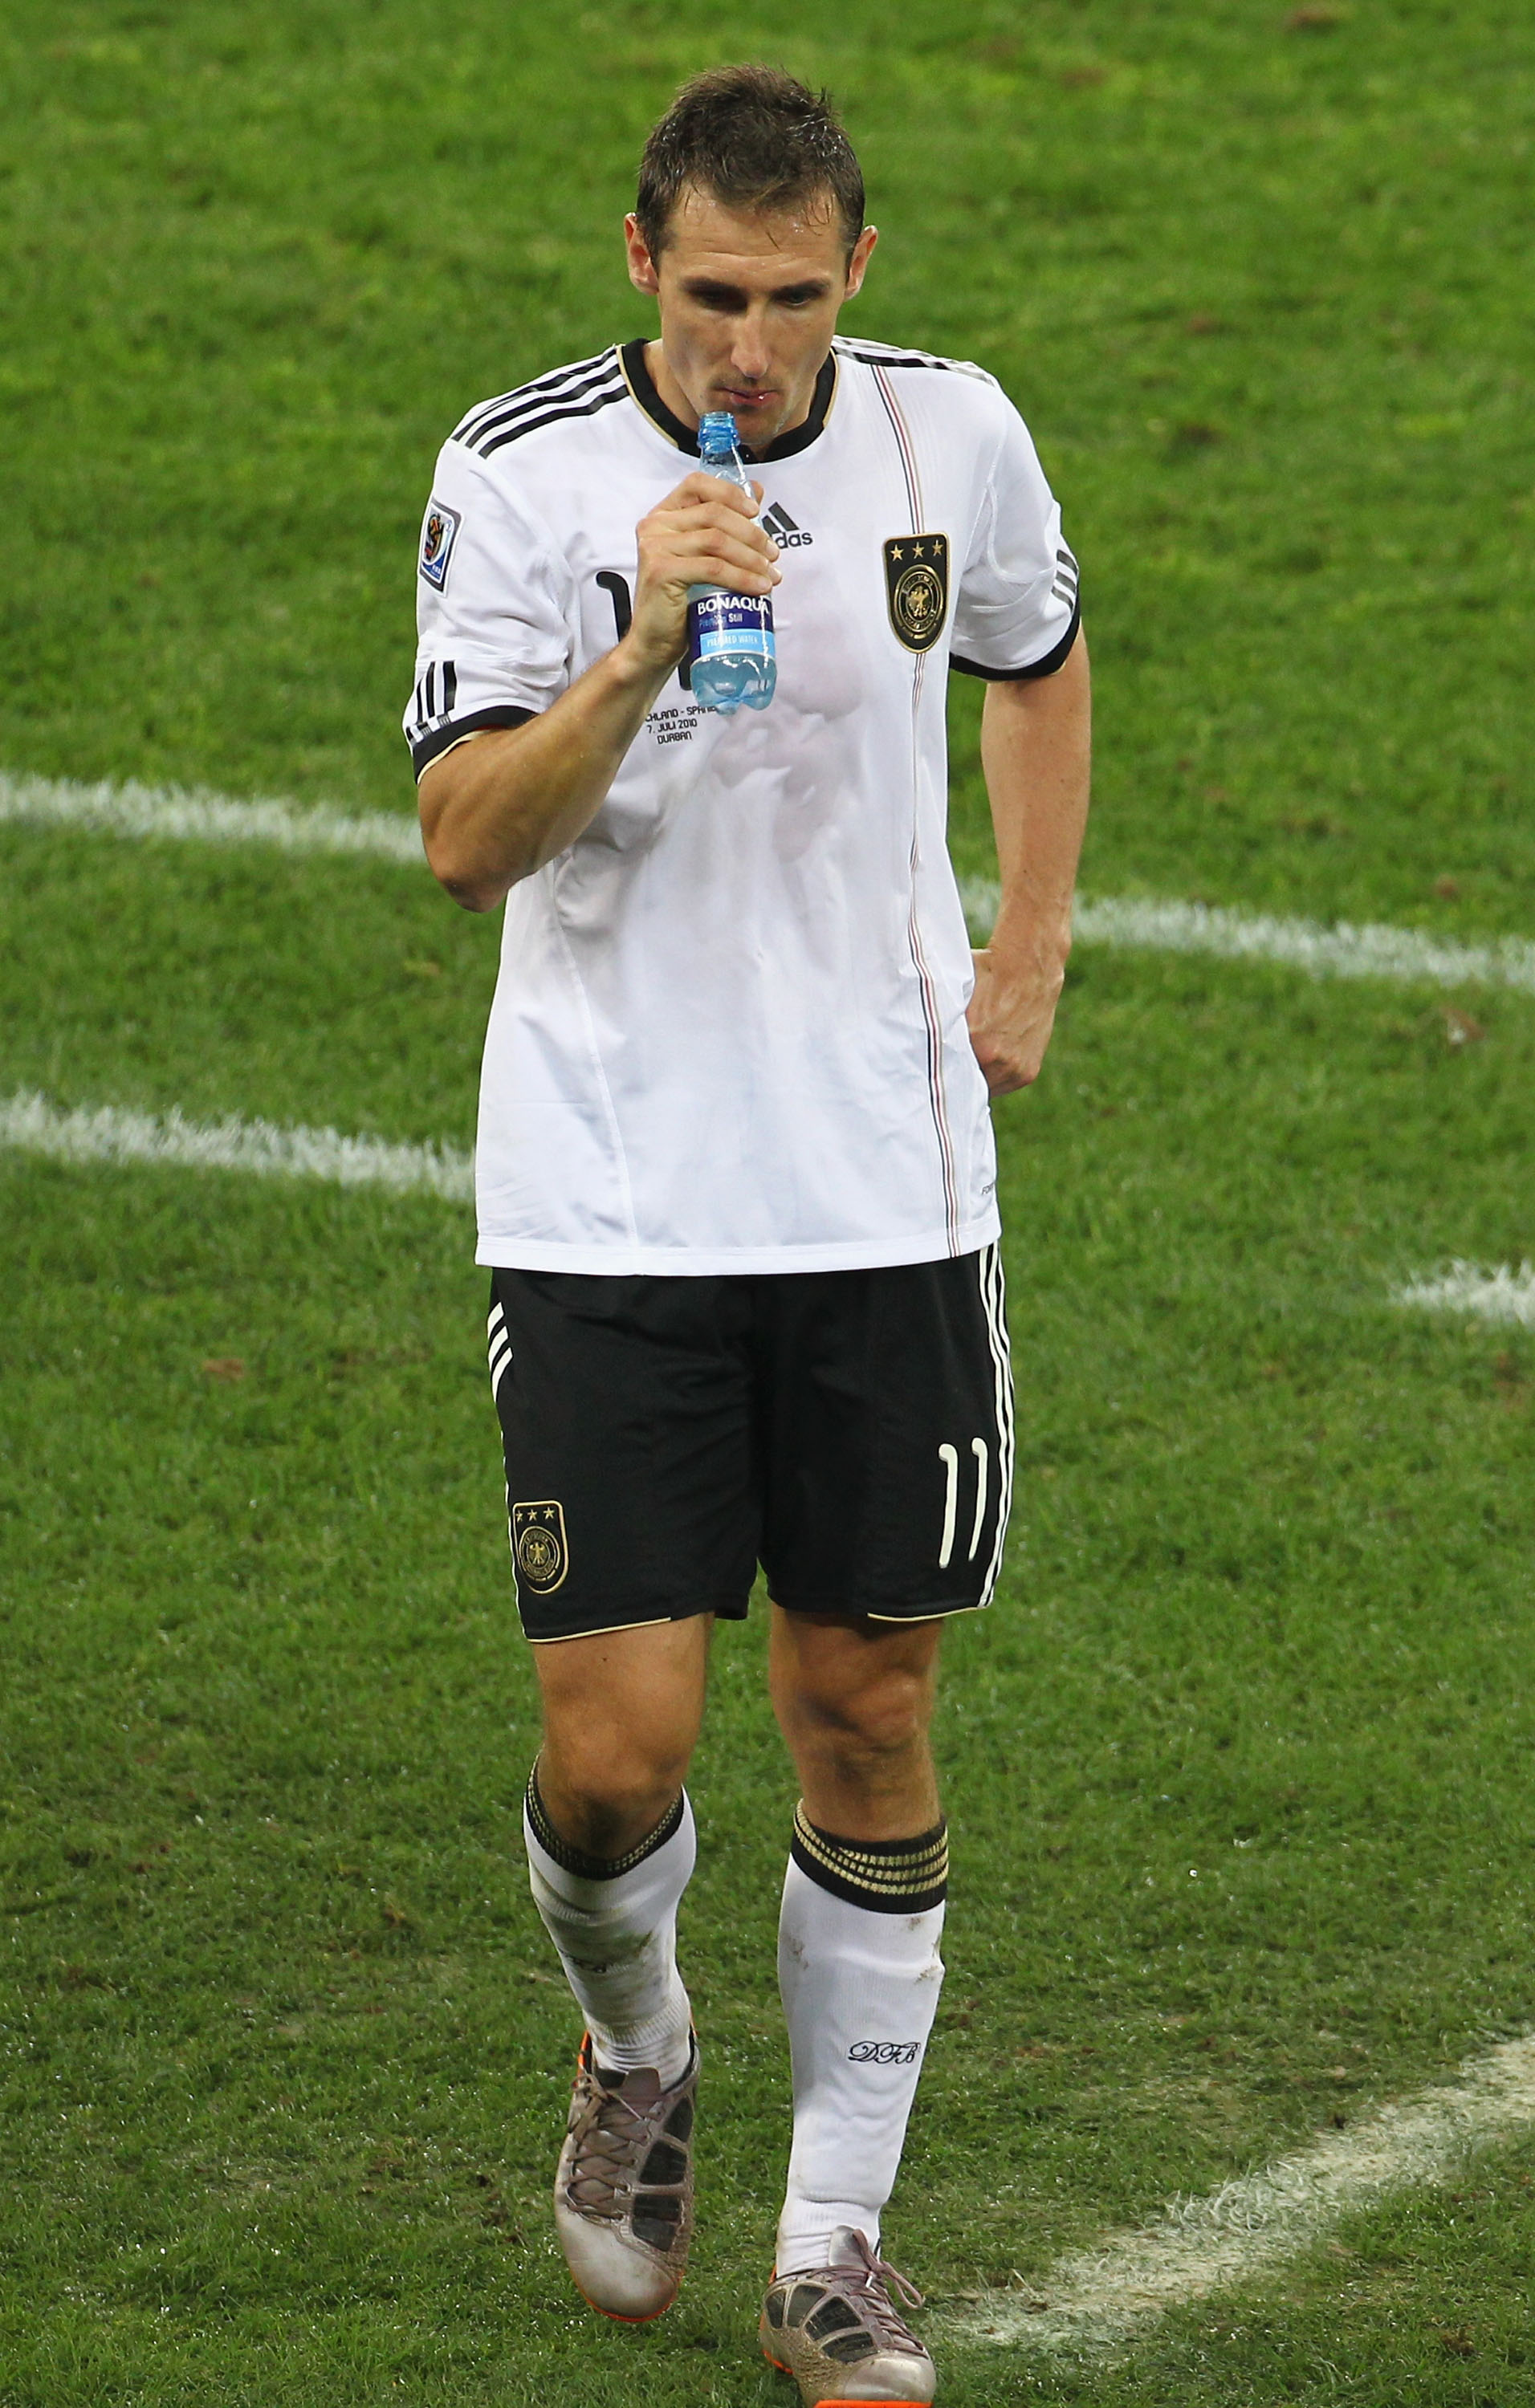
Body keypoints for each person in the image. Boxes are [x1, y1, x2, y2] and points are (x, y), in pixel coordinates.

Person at [405, 63, 1089, 2408]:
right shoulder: (522, 472)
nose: (753, 345)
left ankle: (833, 2245)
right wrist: (632, 645)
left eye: (796, 299)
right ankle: (640, 2051)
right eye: (714, 296)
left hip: (884, 1197)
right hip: (611, 1194)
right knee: (618, 1758)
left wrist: (1033, 942)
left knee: (866, 1705)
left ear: (856, 277)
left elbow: (1037, 643)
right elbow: (466, 841)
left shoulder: (948, 436)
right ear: (640, 264)